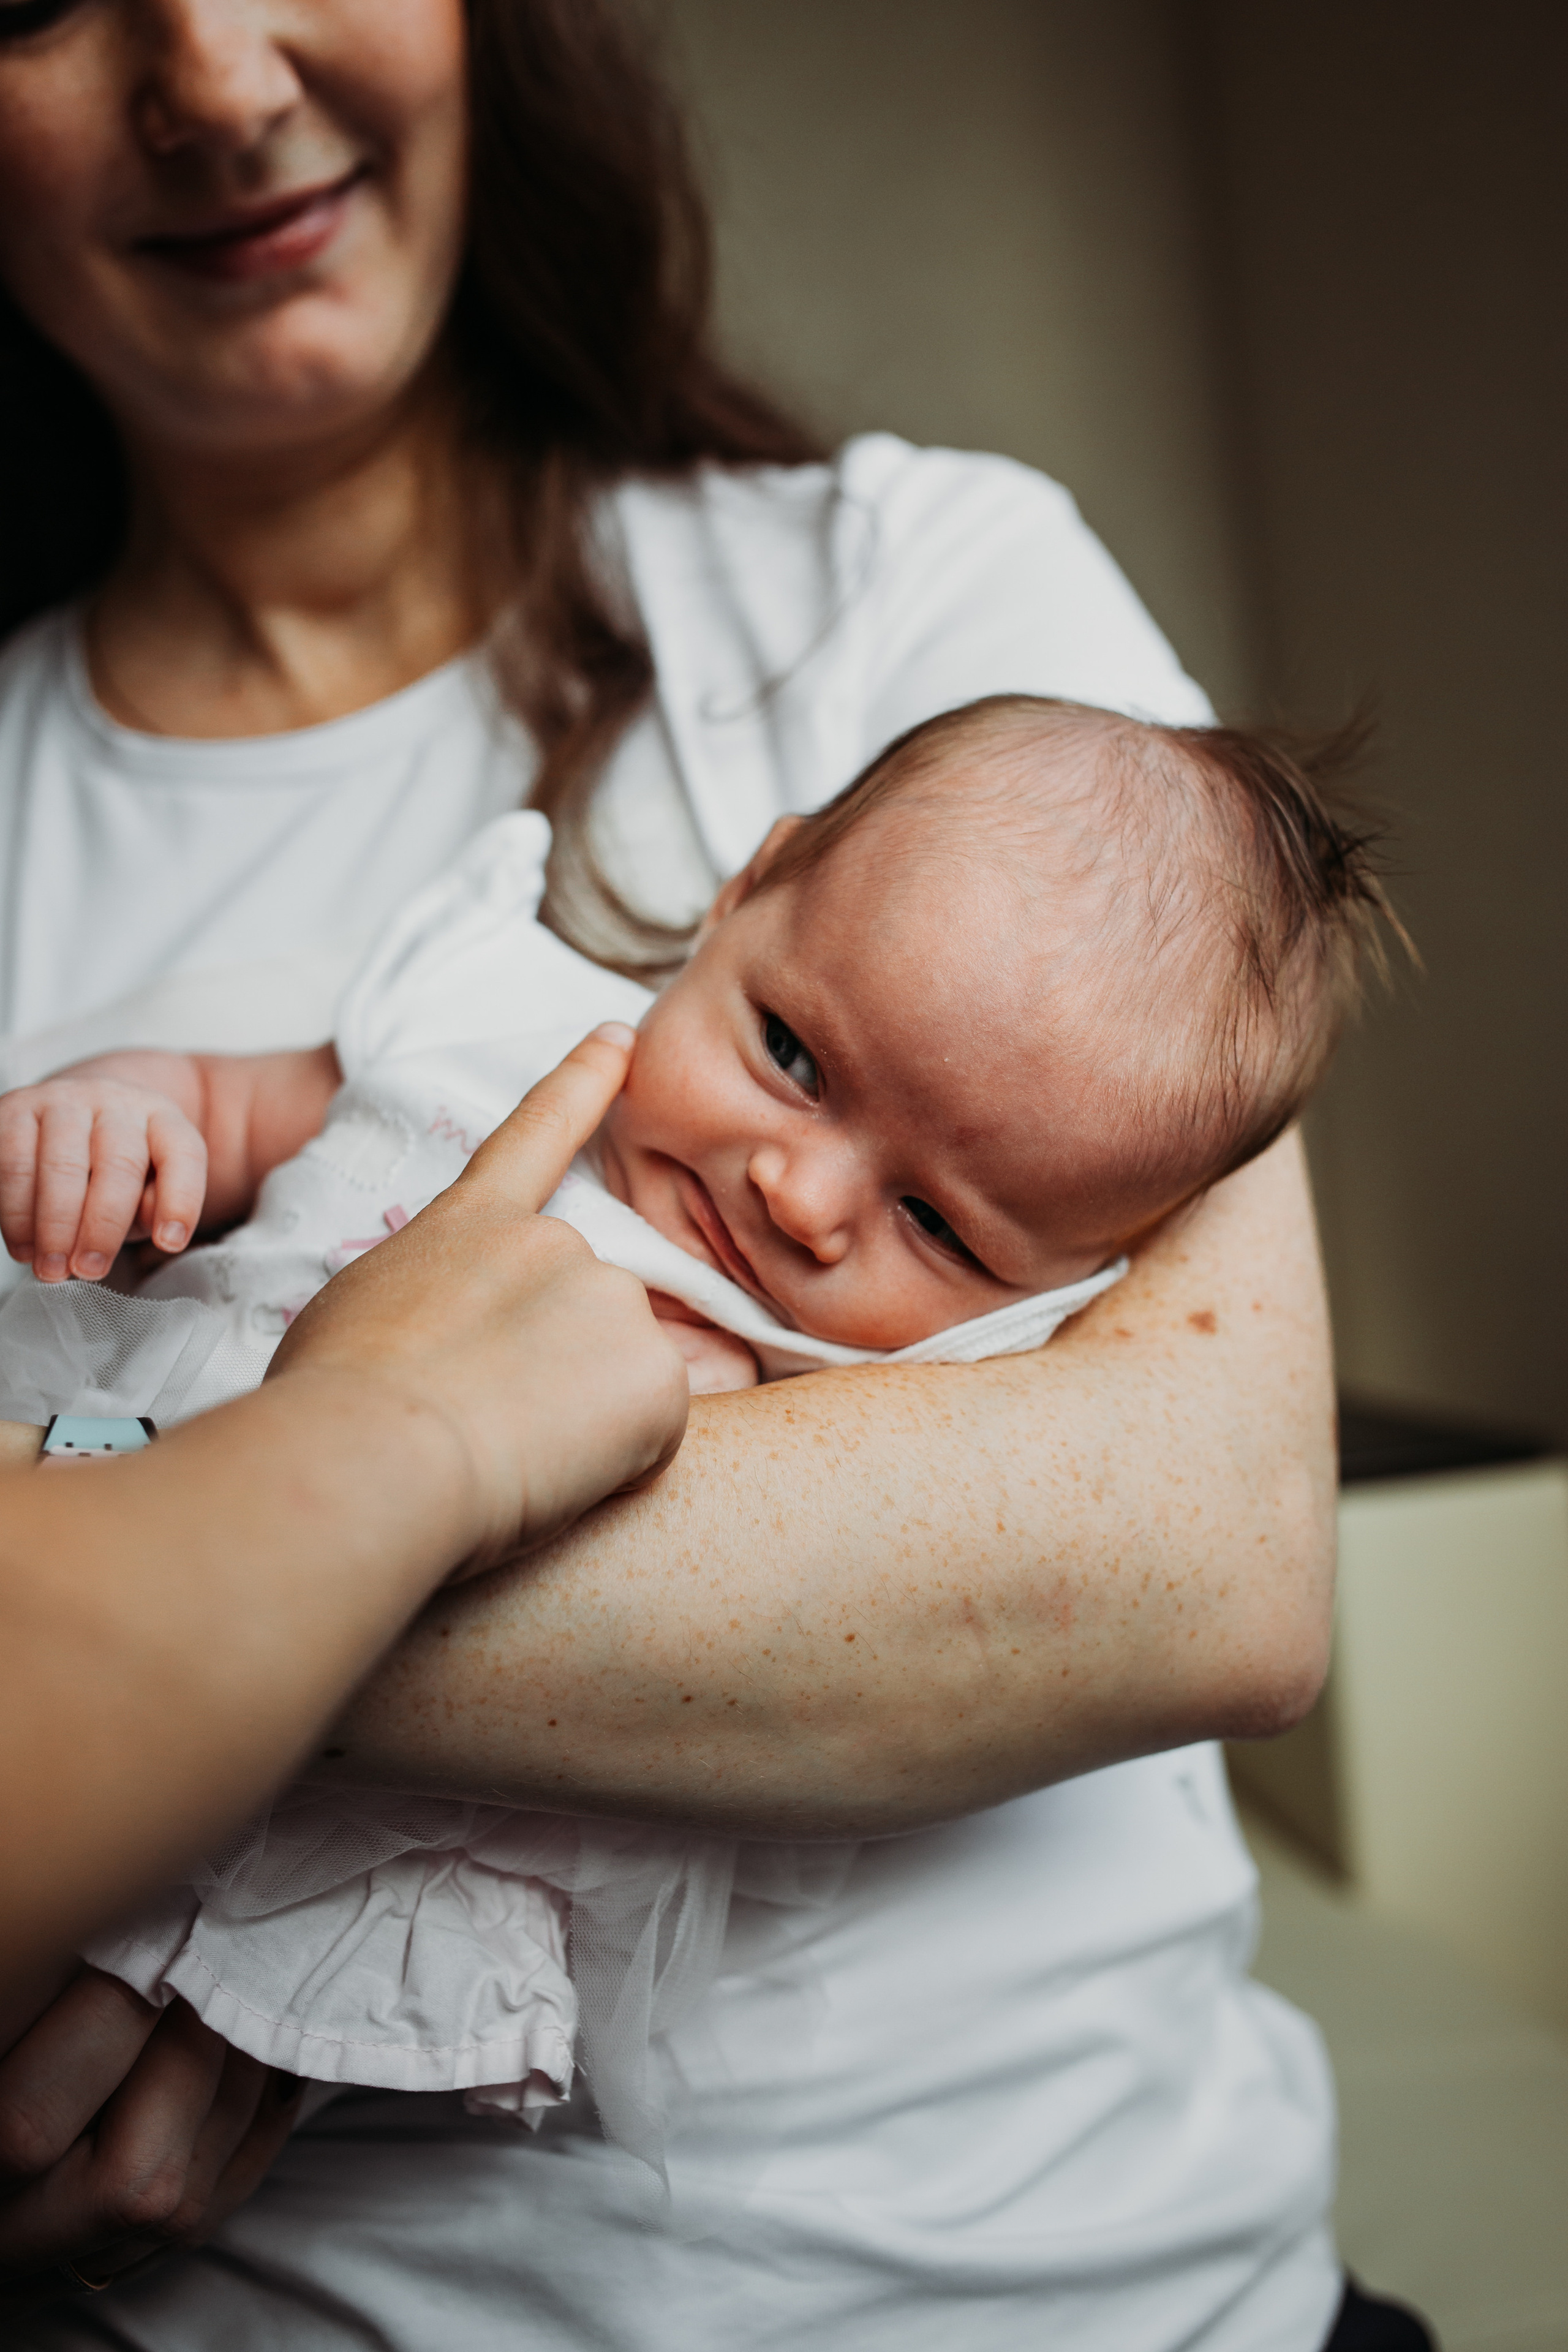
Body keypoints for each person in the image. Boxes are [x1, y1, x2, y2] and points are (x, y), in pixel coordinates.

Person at [0, 0, 1433, 2345]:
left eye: (950, 1228)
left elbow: (1201, 1553)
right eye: (44, 2)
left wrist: (121, 1621)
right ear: (741, 891)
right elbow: (315, 1091)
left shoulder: (938, 610)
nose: (217, 74)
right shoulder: (522, 998)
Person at [0, 693, 1395, 2152]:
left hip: (343, 1847)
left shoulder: (885, 1387)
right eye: (791, 1054)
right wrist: (128, 1114)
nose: (798, 1196)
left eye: (934, 1221)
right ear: (746, 891)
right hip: (99, 1502)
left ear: (1078, 1279)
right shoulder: (495, 1016)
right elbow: (243, 1106)